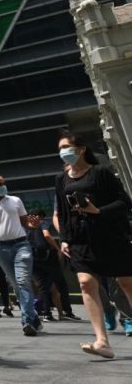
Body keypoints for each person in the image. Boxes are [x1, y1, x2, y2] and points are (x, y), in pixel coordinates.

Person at [55, 131, 132, 359]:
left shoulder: (101, 172)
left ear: (81, 149)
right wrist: (65, 238)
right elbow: (64, 211)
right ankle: (101, 341)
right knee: (86, 283)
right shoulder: (61, 179)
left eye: (66, 147)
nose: (63, 152)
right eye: (59, 149)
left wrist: (97, 211)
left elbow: (125, 202)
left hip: (110, 236)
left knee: (126, 283)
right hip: (80, 240)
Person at [0, 174, 41, 336]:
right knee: (16, 284)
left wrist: (32, 225)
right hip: (0, 248)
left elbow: (24, 221)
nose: (2, 186)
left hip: (21, 245)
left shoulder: (15, 200)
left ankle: (27, 321)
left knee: (23, 282)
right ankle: (34, 317)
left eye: (4, 183)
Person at [26, 208, 80, 322]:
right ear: (40, 216)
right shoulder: (42, 223)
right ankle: (67, 312)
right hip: (49, 258)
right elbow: (46, 235)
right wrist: (57, 248)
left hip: (34, 259)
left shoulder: (26, 227)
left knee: (43, 287)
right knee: (61, 285)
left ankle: (47, 314)